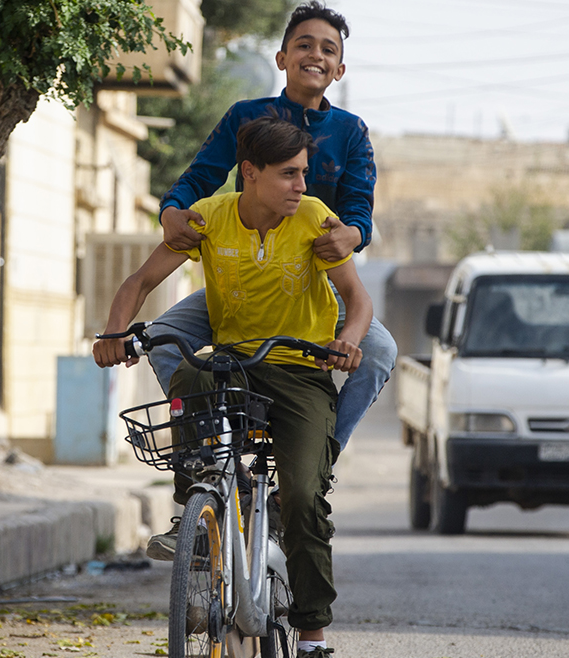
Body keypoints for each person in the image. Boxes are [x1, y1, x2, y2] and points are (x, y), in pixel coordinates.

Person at [94, 116, 371, 658]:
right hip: (235, 364)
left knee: (303, 497)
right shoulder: (209, 219)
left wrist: (347, 341)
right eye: (288, 174)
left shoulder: (315, 218)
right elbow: (139, 282)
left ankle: (313, 642)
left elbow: (357, 299)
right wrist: (114, 332)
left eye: (303, 173)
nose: (301, 185)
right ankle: (196, 512)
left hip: (300, 372)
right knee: (190, 370)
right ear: (250, 173)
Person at [149, 0, 396, 453]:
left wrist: (353, 234)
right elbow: (200, 177)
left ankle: (320, 455)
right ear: (281, 58)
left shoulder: (351, 131)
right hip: (241, 280)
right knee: (160, 342)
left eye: (328, 49)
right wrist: (171, 212)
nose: (315, 55)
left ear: (339, 69)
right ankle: (214, 452)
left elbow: (359, 206)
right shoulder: (245, 116)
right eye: (304, 45)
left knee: (380, 352)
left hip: (316, 286)